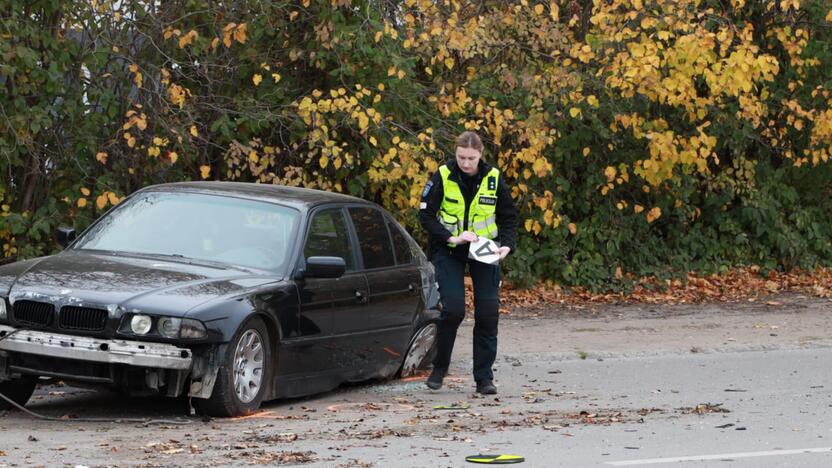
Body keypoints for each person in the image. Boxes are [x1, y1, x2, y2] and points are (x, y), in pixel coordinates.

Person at [418, 131, 518, 394]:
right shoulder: (442, 175)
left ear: (480, 155)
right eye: (461, 157)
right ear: (456, 153)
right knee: (452, 311)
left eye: (471, 158)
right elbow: (426, 216)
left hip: (484, 252)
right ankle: (439, 369)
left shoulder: (493, 178)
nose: (465, 163)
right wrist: (452, 236)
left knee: (487, 312)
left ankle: (484, 378)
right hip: (451, 249)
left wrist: (507, 245)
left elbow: (509, 216)